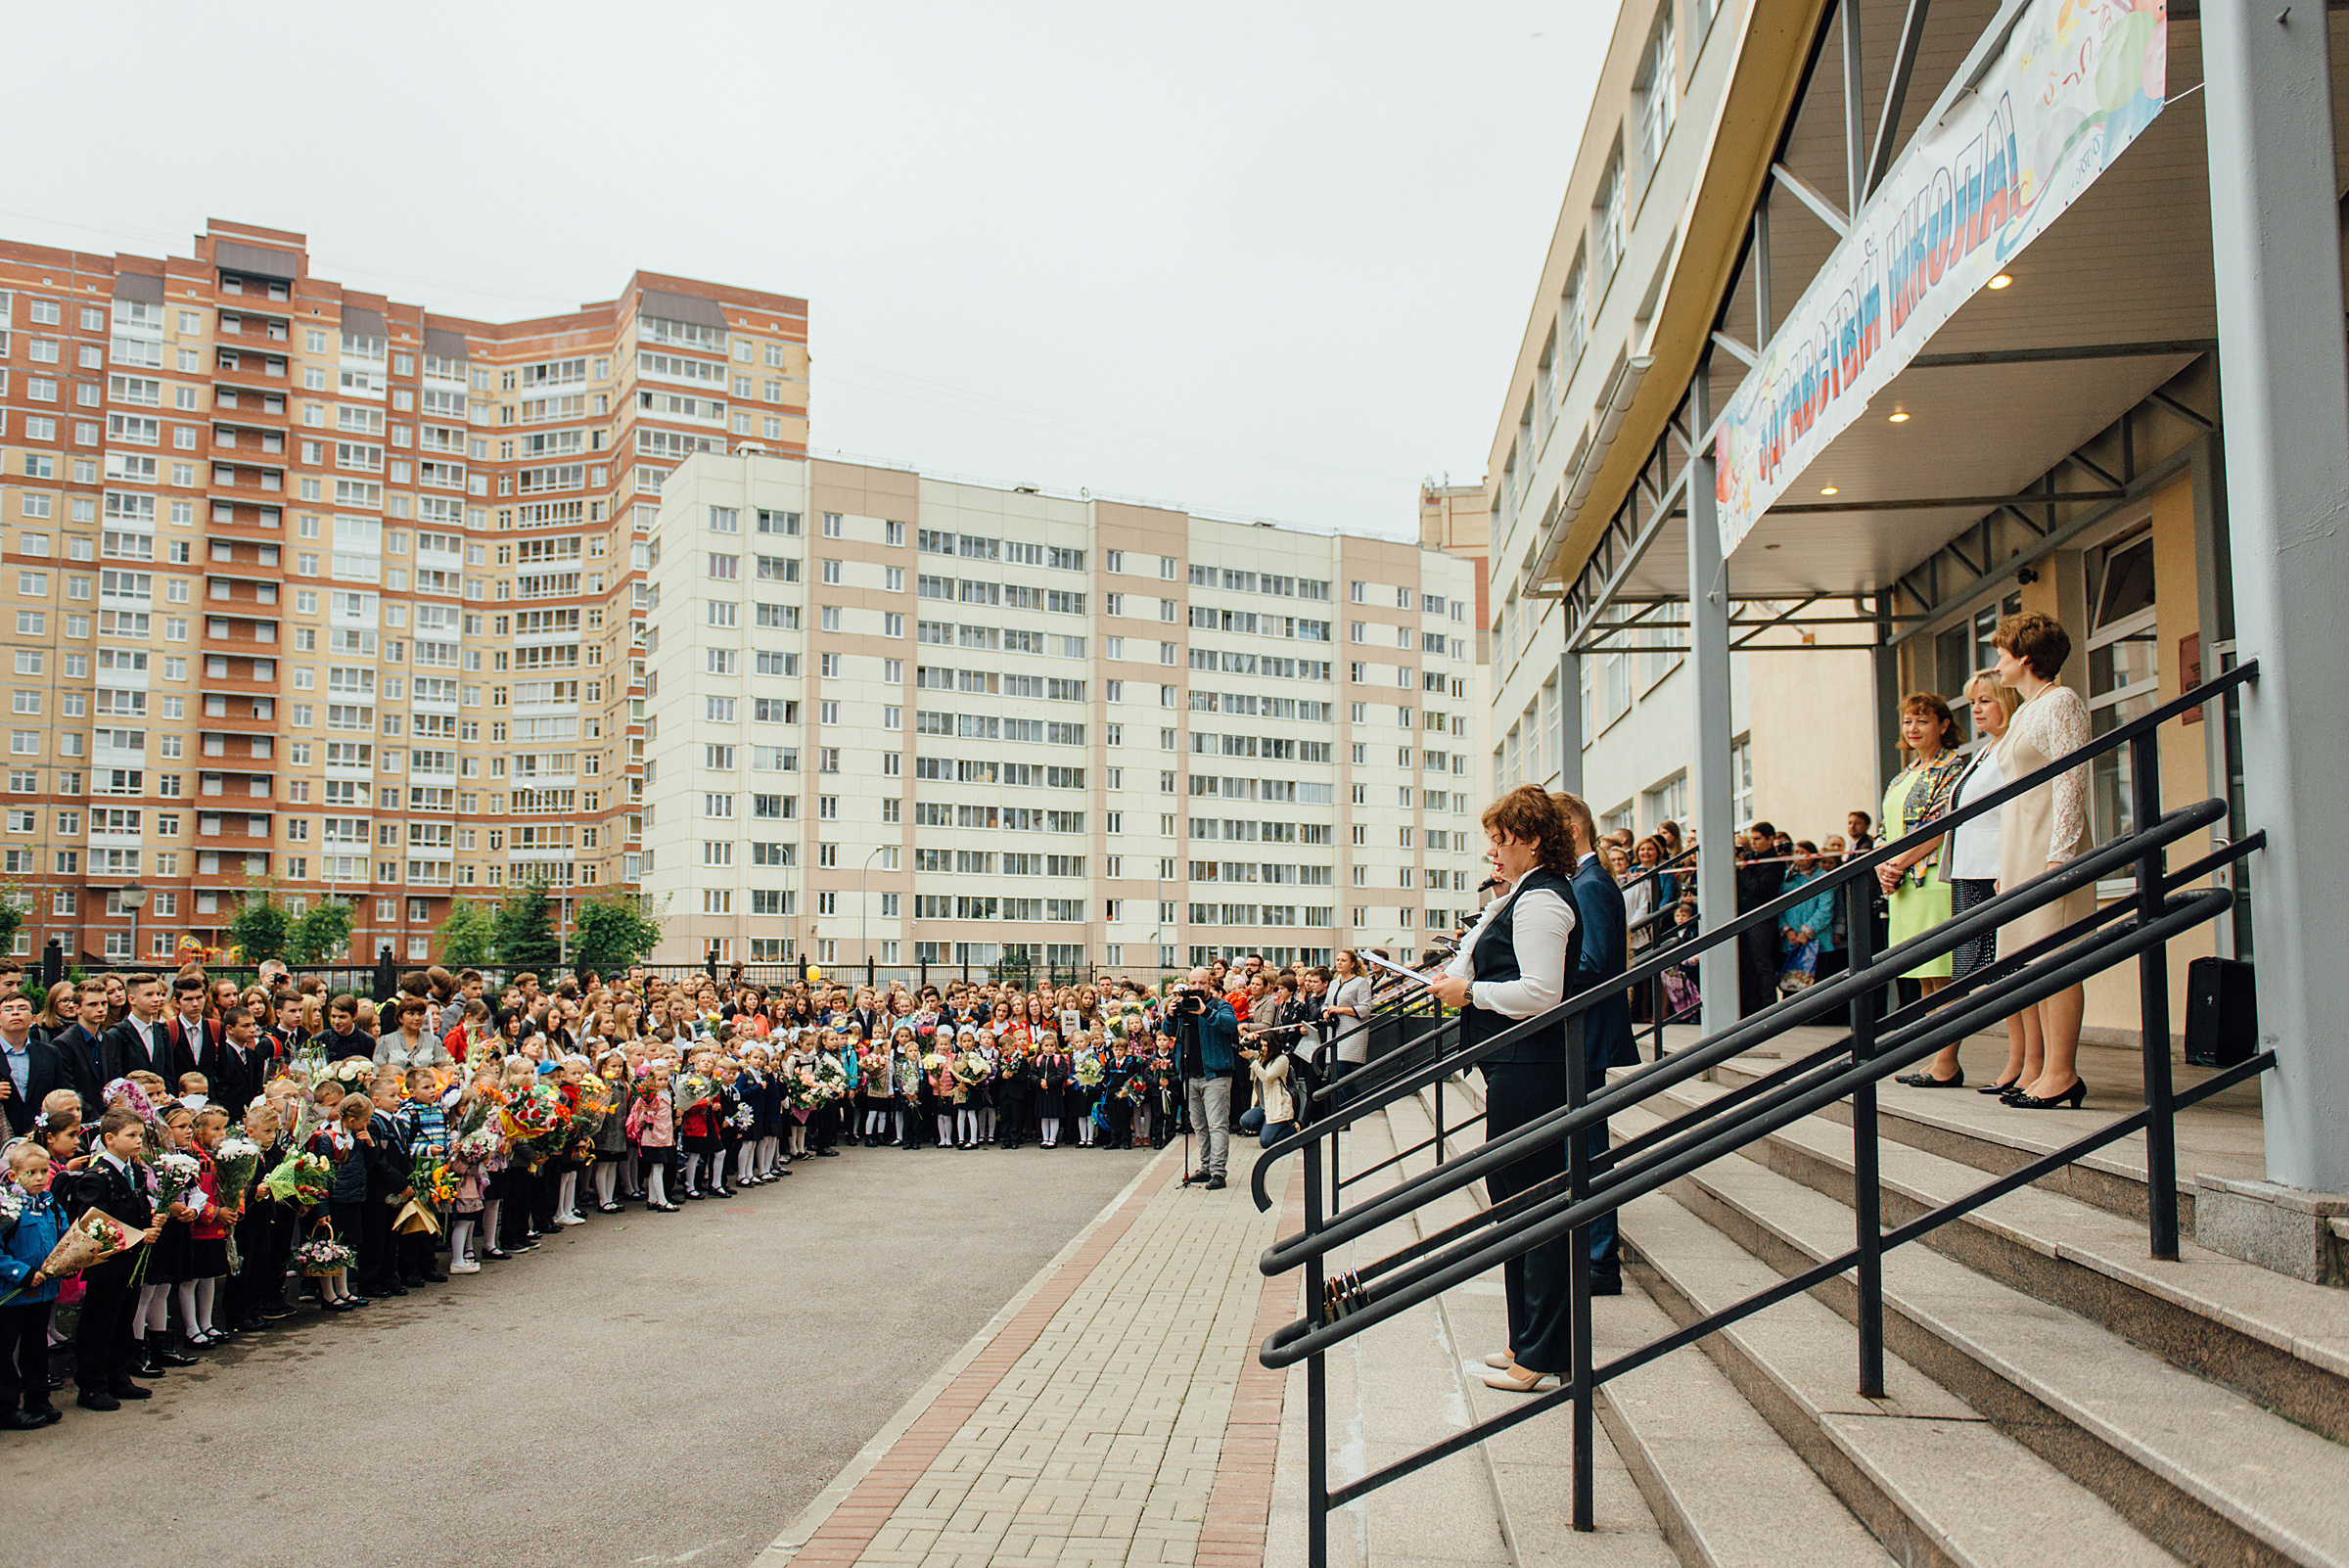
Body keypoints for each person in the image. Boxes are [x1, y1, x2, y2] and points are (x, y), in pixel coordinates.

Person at [1427, 785, 1582, 1395]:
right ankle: (1527, 1338)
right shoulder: (1523, 895)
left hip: (1533, 1066)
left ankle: (1542, 1350)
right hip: (1515, 1064)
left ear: (1534, 839)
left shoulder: (1543, 900)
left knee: (1534, 1204)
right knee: (1513, 1199)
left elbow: (1543, 993)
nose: (1493, 848)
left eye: (1502, 839)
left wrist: (1472, 994)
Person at [1900, 671, 2023, 1089]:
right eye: (1974, 702)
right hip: (1951, 874)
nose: (1976, 709)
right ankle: (1949, 1058)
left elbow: (1942, 823)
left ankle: (2011, 1062)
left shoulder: (1970, 760)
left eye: (1985, 701)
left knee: (1989, 970)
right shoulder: (1981, 754)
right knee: (1955, 973)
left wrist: (1900, 862)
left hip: (1960, 873)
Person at [1993, 611, 2095, 1109]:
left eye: (2003, 654)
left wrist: (2062, 855)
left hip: (2051, 849)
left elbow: (2073, 780)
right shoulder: (2024, 710)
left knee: (2058, 960)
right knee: (2029, 963)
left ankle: (2062, 1071)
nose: (1997, 664)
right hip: (2021, 847)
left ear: (2027, 659)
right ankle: (2043, 1066)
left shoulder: (2061, 703)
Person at [1556, 791, 1632, 1293]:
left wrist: (1536, 982)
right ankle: (1593, 1254)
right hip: (1580, 1035)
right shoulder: (1582, 880)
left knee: (1589, 1148)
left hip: (1589, 1035)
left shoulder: (1591, 884)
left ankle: (1601, 1260)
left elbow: (1596, 964)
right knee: (1581, 1147)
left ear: (1574, 830)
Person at [1876, 694, 1969, 1026]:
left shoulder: (1953, 769)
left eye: (1923, 720)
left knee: (1943, 974)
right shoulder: (1902, 776)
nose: (1913, 728)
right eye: (1908, 721)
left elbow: (1939, 826)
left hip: (1932, 884)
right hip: (1902, 889)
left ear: (1944, 725)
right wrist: (1881, 867)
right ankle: (1935, 1055)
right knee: (1923, 977)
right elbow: (1883, 831)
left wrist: (1896, 865)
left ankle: (1946, 1061)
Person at [70, 1107, 167, 1409]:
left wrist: (152, 1219)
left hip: (131, 1261)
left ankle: (118, 1375)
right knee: (100, 1322)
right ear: (110, 1139)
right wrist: (139, 1235)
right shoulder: (97, 1176)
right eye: (132, 1135)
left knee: (124, 1318)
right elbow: (93, 1224)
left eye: (141, 1135)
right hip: (107, 1263)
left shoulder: (135, 1170)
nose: (139, 1141)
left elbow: (135, 1207)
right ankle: (92, 1385)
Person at [0, 1140, 68, 1428]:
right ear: (14, 1175)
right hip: (12, 1294)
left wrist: (68, 1259)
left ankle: (39, 1399)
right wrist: (21, 1273)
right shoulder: (7, 1208)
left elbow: (64, 1235)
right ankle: (6, 1408)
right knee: (4, 1352)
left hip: (42, 1291)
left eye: (44, 1171)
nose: (40, 1178)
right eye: (32, 1172)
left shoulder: (50, 1203)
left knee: (36, 1346)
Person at [1173, 968, 1239, 1189]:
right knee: (1199, 1126)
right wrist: (1172, 1014)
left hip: (1215, 1075)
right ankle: (1206, 1167)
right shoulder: (1184, 1006)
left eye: (1202, 983)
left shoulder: (1221, 1005)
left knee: (1217, 1124)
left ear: (1210, 984)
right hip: (1190, 1075)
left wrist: (1205, 1012)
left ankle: (1219, 1172)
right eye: (1193, 983)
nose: (1197, 987)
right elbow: (1167, 1029)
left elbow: (1230, 1025)